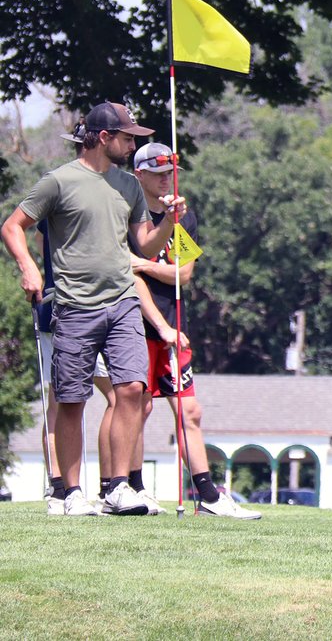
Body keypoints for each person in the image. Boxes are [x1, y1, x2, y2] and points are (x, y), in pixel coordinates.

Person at [2, 102, 186, 517]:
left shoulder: (129, 185)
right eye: (127, 137)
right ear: (104, 138)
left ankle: (118, 487)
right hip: (75, 305)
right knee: (72, 400)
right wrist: (29, 268)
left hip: (122, 301)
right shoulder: (59, 181)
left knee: (133, 391)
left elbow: (147, 244)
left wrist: (170, 223)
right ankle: (68, 493)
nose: (131, 143)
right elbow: (12, 226)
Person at [128, 143, 260, 519]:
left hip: (175, 327)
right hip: (138, 325)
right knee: (139, 408)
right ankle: (133, 488)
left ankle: (208, 495)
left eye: (169, 171)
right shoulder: (130, 216)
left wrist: (146, 266)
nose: (165, 178)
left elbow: (185, 273)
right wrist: (159, 321)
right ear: (139, 175)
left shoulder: (184, 216)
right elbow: (128, 273)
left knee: (190, 411)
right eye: (156, 172)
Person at [37, 126, 120, 516]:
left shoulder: (107, 189)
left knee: (118, 395)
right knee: (61, 400)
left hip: (101, 308)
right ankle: (59, 488)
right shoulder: (59, 189)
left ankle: (111, 487)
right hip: (63, 308)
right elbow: (45, 253)